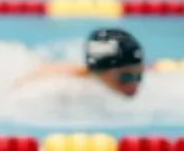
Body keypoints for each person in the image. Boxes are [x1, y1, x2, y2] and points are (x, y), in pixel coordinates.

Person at [16, 27, 145, 98]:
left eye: (139, 76)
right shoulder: (67, 87)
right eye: (125, 77)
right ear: (99, 72)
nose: (134, 85)